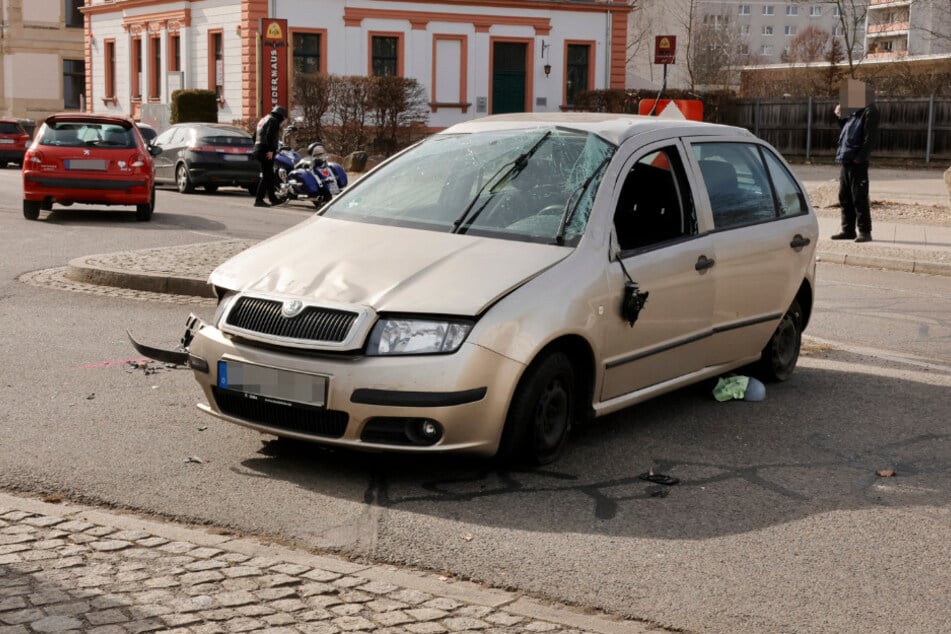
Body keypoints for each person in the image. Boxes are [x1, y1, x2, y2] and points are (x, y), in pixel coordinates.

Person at [832, 97, 879, 242]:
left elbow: (870, 137)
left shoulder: (870, 111)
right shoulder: (854, 113)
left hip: (857, 162)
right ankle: (848, 230)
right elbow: (845, 131)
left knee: (859, 197)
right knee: (845, 197)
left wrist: (860, 158)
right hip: (846, 160)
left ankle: (865, 232)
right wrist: (840, 116)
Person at [252, 105, 287, 207]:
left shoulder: (263, 120)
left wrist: (257, 147)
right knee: (267, 175)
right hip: (266, 150)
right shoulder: (273, 120)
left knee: (269, 175)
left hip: (259, 149)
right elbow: (269, 135)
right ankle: (259, 200)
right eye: (283, 117)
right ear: (280, 115)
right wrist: (271, 150)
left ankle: (273, 198)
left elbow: (254, 136)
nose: (283, 120)